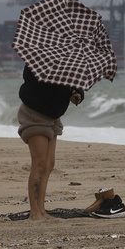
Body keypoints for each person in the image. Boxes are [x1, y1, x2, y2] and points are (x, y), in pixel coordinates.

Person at [17, 64, 84, 220]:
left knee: (48, 164)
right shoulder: (38, 59)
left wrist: (75, 92)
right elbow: (34, 82)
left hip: (53, 116)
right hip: (35, 113)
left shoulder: (67, 62)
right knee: (39, 163)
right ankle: (35, 212)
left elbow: (69, 84)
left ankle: (42, 210)